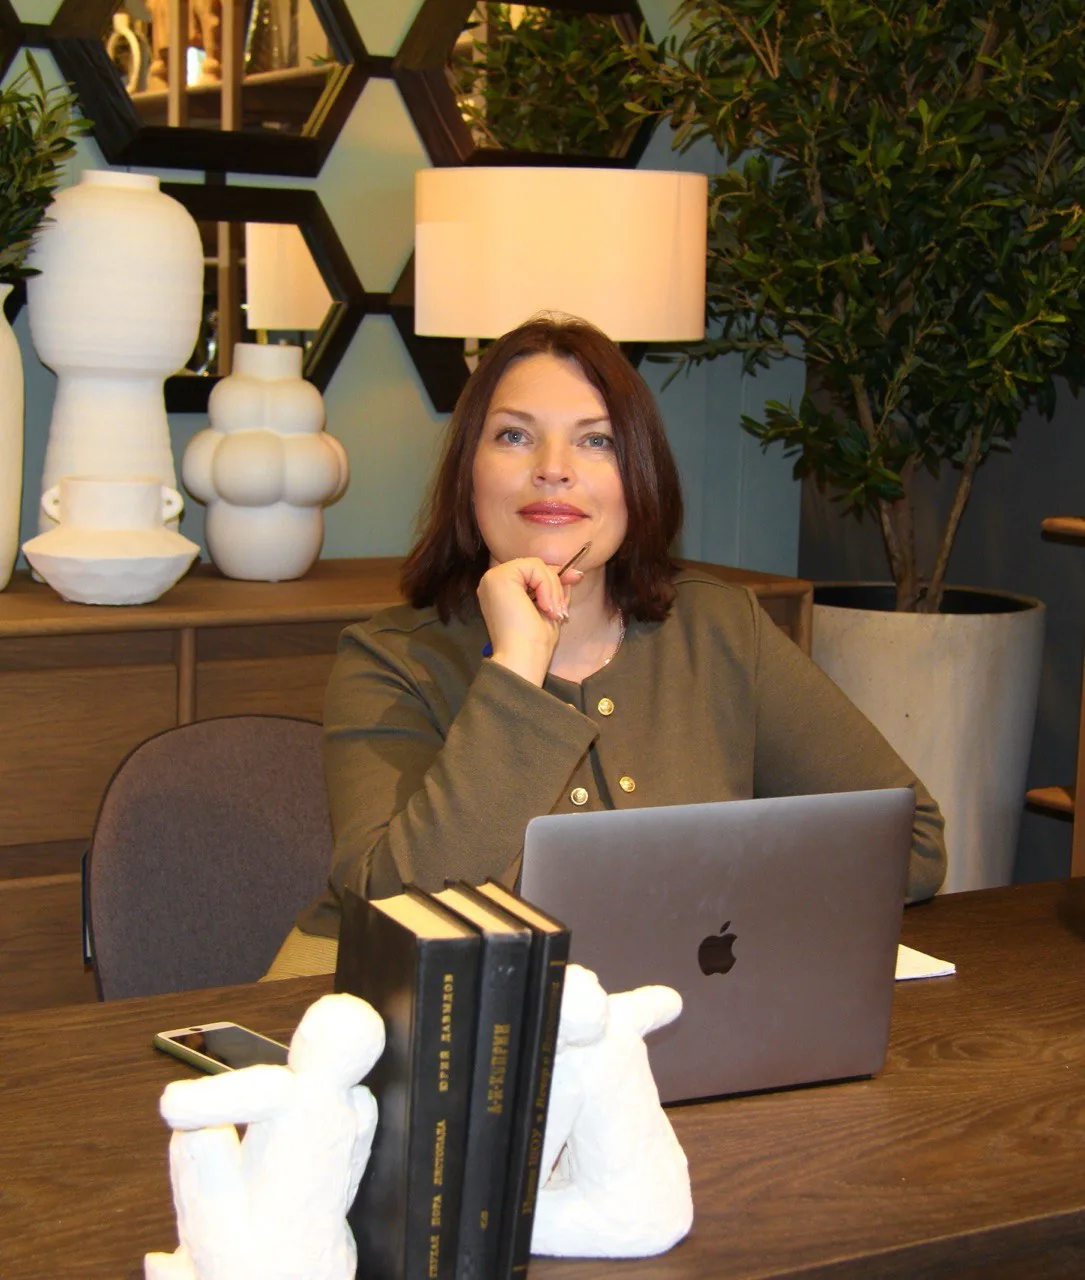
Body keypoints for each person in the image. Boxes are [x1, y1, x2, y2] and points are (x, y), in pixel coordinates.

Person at [266, 315, 946, 980]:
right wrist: (516, 671)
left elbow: (907, 841)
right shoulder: (390, 659)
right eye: (514, 436)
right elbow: (398, 916)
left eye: (596, 441)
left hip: (675, 1012)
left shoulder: (723, 629)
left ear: (638, 476)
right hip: (433, 1024)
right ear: (468, 473)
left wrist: (709, 910)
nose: (552, 470)